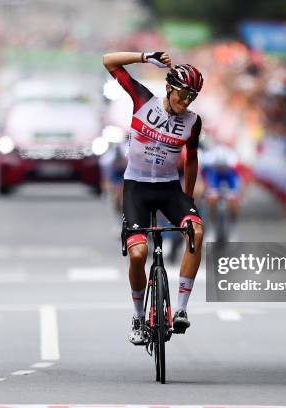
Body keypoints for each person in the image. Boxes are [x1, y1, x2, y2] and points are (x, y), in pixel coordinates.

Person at [102, 51, 204, 345]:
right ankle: (137, 316)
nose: (186, 102)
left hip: (169, 188)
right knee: (138, 254)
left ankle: (181, 310)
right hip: (136, 186)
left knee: (196, 231)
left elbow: (192, 159)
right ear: (169, 88)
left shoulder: (193, 122)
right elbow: (109, 60)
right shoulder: (143, 100)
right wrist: (145, 57)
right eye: (183, 94)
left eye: (192, 96)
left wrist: (188, 200)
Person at [201, 142, 240, 239]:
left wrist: (233, 195)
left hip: (230, 178)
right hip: (215, 179)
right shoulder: (210, 166)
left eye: (223, 167)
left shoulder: (232, 166)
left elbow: (235, 183)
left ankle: (232, 228)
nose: (221, 169)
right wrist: (207, 191)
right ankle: (212, 228)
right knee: (212, 200)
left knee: (234, 202)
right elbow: (206, 178)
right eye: (219, 167)